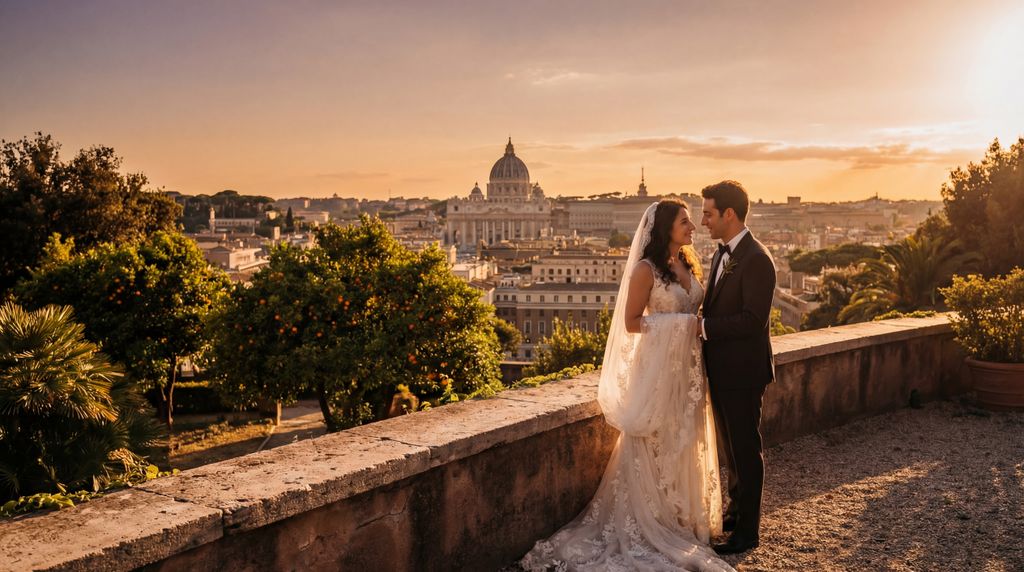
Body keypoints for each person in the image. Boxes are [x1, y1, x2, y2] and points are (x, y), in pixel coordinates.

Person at [520, 199, 734, 572]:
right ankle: (656, 521)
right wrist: (682, 325)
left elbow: (696, 309)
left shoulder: (688, 261)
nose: (693, 227)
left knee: (684, 440)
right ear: (666, 227)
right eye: (685, 221)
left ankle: (681, 517)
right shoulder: (644, 271)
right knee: (655, 444)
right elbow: (632, 323)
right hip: (658, 373)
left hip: (688, 373)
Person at [698, 181, 776, 555]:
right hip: (722, 370)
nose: (703, 221)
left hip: (743, 372)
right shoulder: (721, 255)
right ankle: (734, 511)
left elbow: (752, 320)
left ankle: (749, 532)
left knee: (746, 451)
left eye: (708, 213)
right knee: (730, 449)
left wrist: (703, 328)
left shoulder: (758, 259)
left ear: (729, 214)